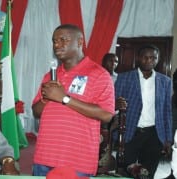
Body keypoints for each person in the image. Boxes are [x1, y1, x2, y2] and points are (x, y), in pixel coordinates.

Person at [31, 24, 115, 177]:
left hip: (77, 161)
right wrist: (47, 98)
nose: (57, 45)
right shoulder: (50, 76)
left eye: (63, 40)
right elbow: (36, 112)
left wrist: (64, 98)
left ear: (80, 42)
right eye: (54, 41)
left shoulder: (99, 74)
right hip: (44, 157)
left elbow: (106, 114)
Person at [115, 44, 172, 179]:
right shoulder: (124, 78)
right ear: (139, 58)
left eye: (153, 58)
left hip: (154, 134)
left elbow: (167, 111)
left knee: (148, 173)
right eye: (145, 57)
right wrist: (116, 104)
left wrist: (168, 139)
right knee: (125, 172)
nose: (149, 61)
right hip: (129, 132)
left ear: (158, 60)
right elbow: (112, 102)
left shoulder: (165, 81)